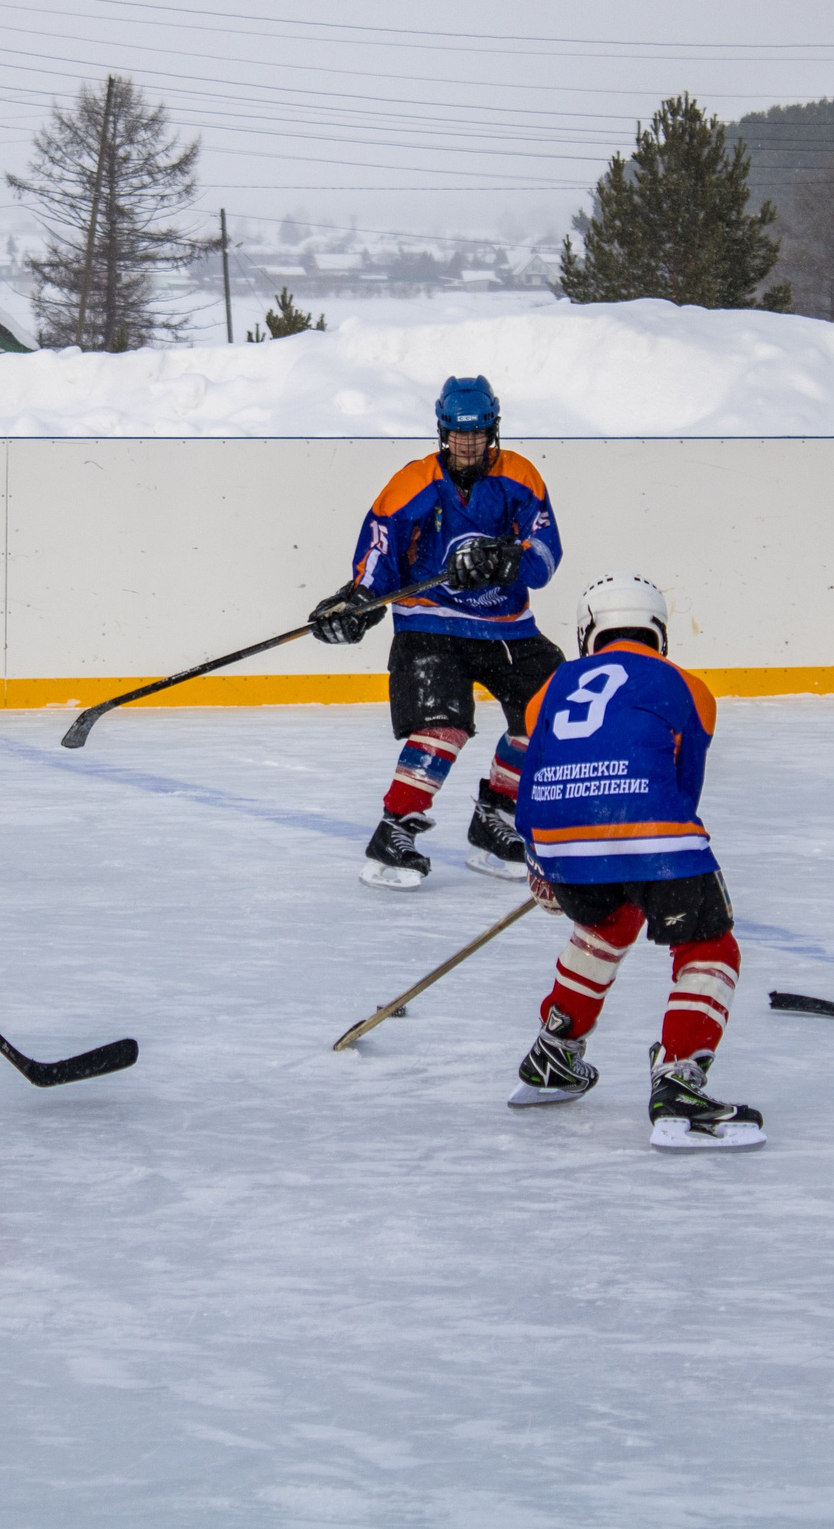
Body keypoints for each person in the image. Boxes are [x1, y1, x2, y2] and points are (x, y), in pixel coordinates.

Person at [505, 574, 764, 1153]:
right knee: (709, 946)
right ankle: (679, 1084)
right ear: (660, 633)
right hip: (653, 833)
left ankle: (555, 1054)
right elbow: (683, 786)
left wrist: (541, 860)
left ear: (587, 633)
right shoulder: (686, 685)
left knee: (605, 923)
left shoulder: (549, 688)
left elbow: (535, 775)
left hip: (556, 838)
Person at [309, 376, 566, 889]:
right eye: (457, 435)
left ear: (493, 430)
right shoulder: (413, 483)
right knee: (441, 728)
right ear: (442, 432)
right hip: (429, 620)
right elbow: (379, 552)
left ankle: (495, 816)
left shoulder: (520, 477)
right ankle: (394, 831)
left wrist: (509, 558)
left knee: (549, 711)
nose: (467, 445)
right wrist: (358, 599)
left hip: (506, 627)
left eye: (478, 435)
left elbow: (545, 553)